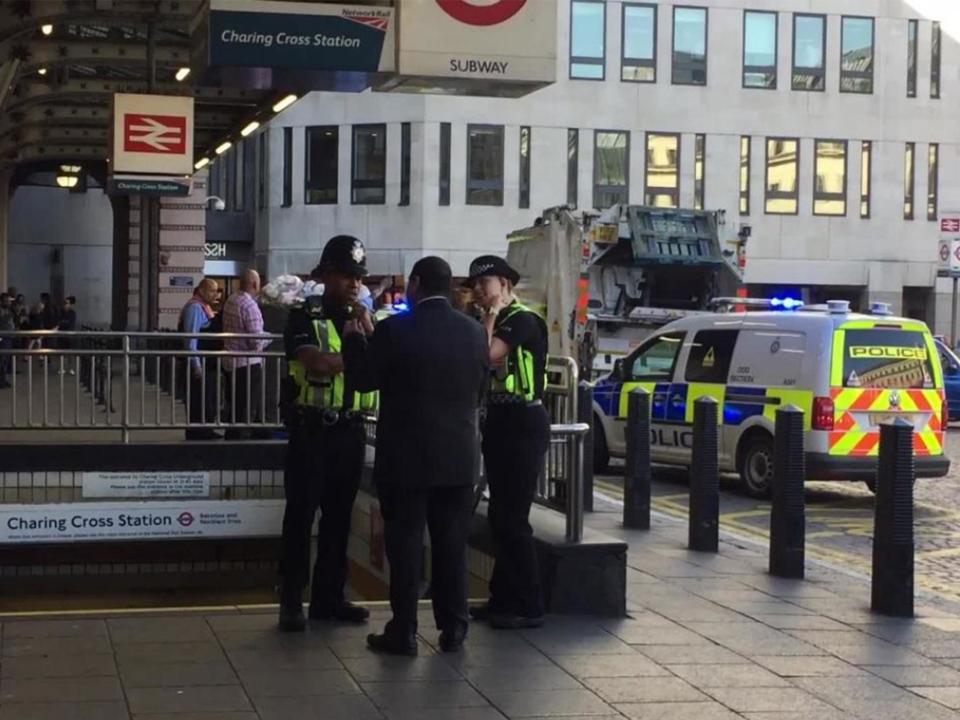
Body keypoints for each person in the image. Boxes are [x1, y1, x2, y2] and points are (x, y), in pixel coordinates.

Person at [344, 257, 489, 656]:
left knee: (406, 547)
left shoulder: (395, 329)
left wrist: (354, 339)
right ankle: (454, 628)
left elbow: (363, 381)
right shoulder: (475, 332)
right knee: (452, 546)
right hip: (459, 458)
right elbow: (480, 387)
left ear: (417, 284)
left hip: (406, 459)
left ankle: (404, 631)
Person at [277, 235, 378, 632]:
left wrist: (366, 329)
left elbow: (377, 364)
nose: (355, 284)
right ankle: (290, 600)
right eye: (347, 275)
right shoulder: (305, 314)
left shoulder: (361, 318)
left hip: (349, 431)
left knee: (339, 519)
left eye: (359, 277)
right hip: (311, 430)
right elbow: (315, 363)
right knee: (300, 517)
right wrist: (355, 356)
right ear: (327, 275)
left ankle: (329, 598)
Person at [466, 255, 550, 629]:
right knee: (500, 516)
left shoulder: (521, 320)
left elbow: (483, 358)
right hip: (499, 421)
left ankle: (530, 605)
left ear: (505, 285)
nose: (481, 291)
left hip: (523, 422)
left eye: (487, 284)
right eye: (477, 285)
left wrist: (489, 317)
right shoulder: (490, 320)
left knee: (513, 518)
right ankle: (502, 600)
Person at [222, 269, 269, 439]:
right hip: (247, 363)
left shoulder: (231, 300)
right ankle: (241, 439)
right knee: (246, 405)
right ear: (255, 284)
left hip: (229, 362)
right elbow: (255, 341)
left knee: (234, 403)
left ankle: (232, 435)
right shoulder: (250, 306)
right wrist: (269, 338)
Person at [179, 279, 221, 440]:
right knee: (198, 399)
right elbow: (191, 339)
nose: (215, 294)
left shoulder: (204, 307)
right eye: (212, 290)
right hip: (199, 362)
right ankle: (198, 432)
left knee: (206, 398)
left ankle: (206, 429)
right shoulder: (195, 308)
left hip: (206, 361)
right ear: (201, 291)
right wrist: (196, 364)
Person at [56, 296, 78, 376]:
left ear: (70, 304)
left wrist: (61, 323)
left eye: (66, 303)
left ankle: (71, 368)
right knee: (61, 352)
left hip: (69, 335)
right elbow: (59, 321)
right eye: (64, 303)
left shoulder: (72, 313)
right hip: (61, 334)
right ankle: (62, 368)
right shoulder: (60, 312)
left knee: (70, 353)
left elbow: (69, 324)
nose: (65, 305)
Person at [0, 292, 14, 388]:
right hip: (2, 338)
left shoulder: (9, 311)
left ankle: (3, 379)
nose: (9, 303)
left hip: (8, 337)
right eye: (7, 301)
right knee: (2, 360)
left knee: (5, 360)